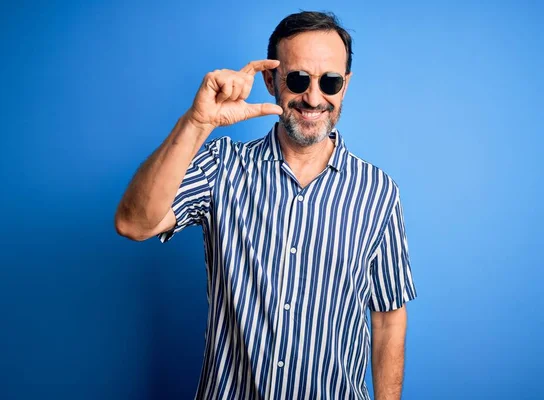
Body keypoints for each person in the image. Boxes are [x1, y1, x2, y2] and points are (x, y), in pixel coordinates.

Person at [115, 10, 417, 400]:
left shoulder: (378, 193)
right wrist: (197, 123)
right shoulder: (221, 166)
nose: (313, 97)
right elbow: (133, 224)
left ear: (346, 85)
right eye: (297, 79)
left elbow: (389, 319)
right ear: (271, 81)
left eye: (330, 81)